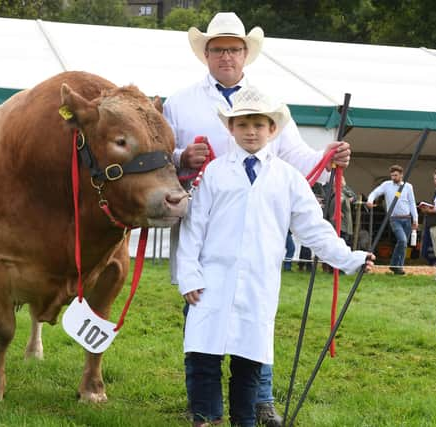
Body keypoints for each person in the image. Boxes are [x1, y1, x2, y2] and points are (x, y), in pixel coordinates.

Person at [162, 12, 352, 425]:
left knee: (253, 314)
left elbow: (297, 157)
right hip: (201, 224)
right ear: (205, 54)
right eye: (218, 49)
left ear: (246, 54)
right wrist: (180, 158)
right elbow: (160, 158)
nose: (226, 56)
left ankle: (259, 402)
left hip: (257, 229)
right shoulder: (179, 101)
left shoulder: (271, 104)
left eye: (233, 48)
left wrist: (328, 155)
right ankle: (204, 408)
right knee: (202, 313)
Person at [177, 87, 375, 427]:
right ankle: (204, 420)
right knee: (202, 358)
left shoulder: (288, 179)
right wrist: (189, 274)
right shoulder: (214, 173)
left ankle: (244, 421)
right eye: (243, 125)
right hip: (211, 281)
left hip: (258, 284)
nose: (251, 131)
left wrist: (349, 258)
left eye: (259, 124)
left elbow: (314, 228)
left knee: (248, 363)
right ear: (231, 129)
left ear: (273, 130)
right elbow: (194, 227)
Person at [366, 165, 418, 275]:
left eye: (396, 175)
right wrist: (370, 200)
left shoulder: (408, 186)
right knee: (402, 240)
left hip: (407, 218)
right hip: (394, 218)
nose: (393, 177)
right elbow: (375, 192)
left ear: (401, 175)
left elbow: (412, 203)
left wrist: (415, 219)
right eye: (392, 175)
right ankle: (395, 264)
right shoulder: (386, 185)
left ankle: (398, 266)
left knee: (403, 244)